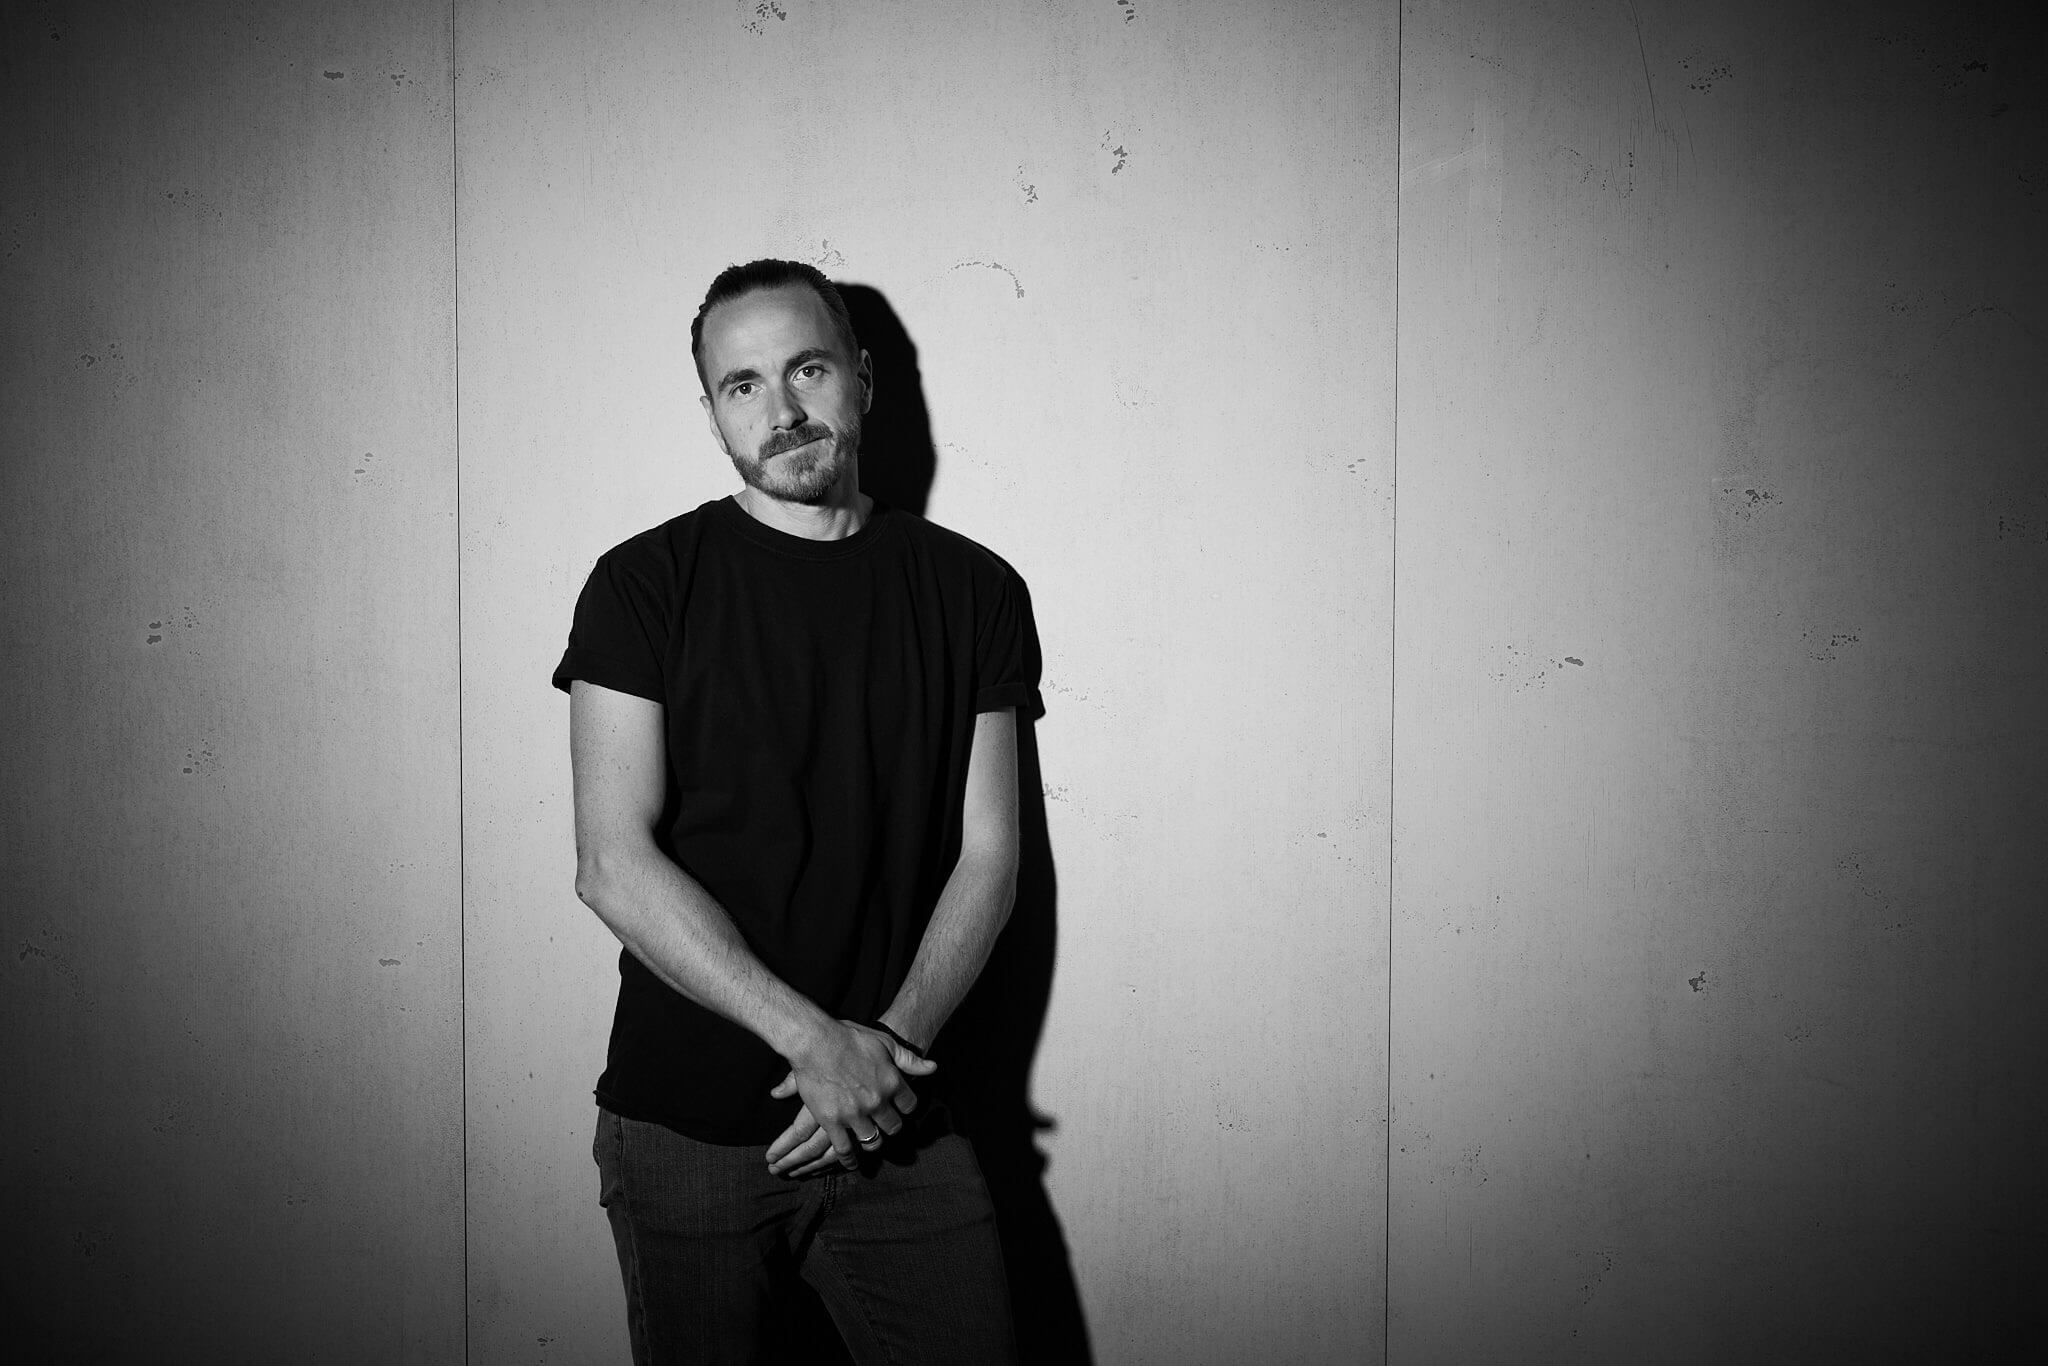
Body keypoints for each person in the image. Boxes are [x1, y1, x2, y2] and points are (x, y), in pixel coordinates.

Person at [553, 258, 1039, 1364]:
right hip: (691, 1131)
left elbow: (991, 858)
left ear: (862, 379)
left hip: (901, 1115)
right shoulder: (642, 584)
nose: (780, 410)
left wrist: (883, 1057)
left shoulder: (974, 590)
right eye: (742, 384)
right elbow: (611, 864)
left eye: (807, 369)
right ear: (713, 410)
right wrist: (818, 1047)